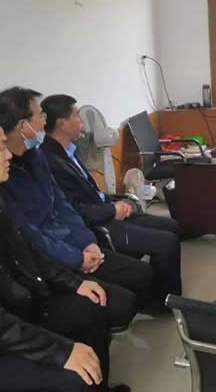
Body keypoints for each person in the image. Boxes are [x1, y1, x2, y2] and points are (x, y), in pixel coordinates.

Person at [0, 105, 124, 392]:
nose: (9, 155)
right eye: (0, 148)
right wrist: (61, 351)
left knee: (91, 308)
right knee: (73, 379)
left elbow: (27, 250)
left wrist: (75, 282)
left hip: (13, 308)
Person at [0, 87, 155, 326]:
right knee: (119, 303)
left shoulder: (36, 156)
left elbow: (63, 205)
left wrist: (87, 243)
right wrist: (77, 259)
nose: (44, 122)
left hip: (73, 244)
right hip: (50, 261)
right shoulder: (1, 177)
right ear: (23, 125)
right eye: (40, 116)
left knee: (141, 274)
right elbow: (31, 237)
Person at [40, 94, 182, 309]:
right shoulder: (50, 160)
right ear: (62, 123)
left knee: (172, 226)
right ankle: (161, 304)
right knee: (166, 242)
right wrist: (111, 210)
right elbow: (74, 210)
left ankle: (160, 291)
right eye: (76, 116)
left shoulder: (69, 151)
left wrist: (113, 204)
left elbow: (90, 192)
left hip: (106, 209)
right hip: (98, 224)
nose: (81, 120)